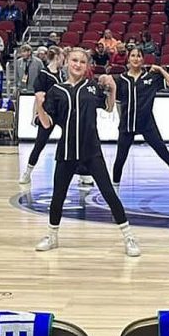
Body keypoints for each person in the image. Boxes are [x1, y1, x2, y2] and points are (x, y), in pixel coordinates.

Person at [33, 48, 140, 256]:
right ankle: (52, 236)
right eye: (74, 60)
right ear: (67, 62)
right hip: (66, 151)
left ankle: (128, 238)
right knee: (58, 196)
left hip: (91, 151)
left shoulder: (92, 87)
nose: (78, 64)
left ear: (87, 66)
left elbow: (109, 108)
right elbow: (46, 124)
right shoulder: (56, 91)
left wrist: (113, 89)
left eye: (82, 61)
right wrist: (39, 105)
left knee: (109, 194)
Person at [110, 48, 169, 200]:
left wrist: (160, 69)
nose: (135, 59)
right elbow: (118, 103)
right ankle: (114, 192)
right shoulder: (121, 79)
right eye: (133, 56)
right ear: (129, 59)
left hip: (147, 124)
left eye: (138, 56)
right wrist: (121, 120)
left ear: (143, 59)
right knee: (120, 159)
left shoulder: (151, 77)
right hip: (127, 124)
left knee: (164, 153)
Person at [18, 47, 65, 185]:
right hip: (48, 113)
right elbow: (38, 97)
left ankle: (82, 175)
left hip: (62, 112)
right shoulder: (43, 74)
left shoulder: (62, 74)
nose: (64, 59)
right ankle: (27, 172)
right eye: (62, 56)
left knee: (73, 140)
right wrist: (35, 114)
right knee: (39, 144)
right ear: (57, 56)